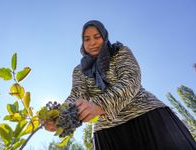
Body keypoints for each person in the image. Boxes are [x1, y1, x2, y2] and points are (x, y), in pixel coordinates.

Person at [44, 20, 196, 150]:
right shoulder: (79, 70)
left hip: (146, 116)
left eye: (97, 37)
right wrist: (60, 116)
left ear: (104, 36)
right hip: (108, 132)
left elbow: (130, 80)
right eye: (87, 39)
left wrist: (98, 105)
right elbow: (77, 94)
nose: (92, 43)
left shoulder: (120, 52)